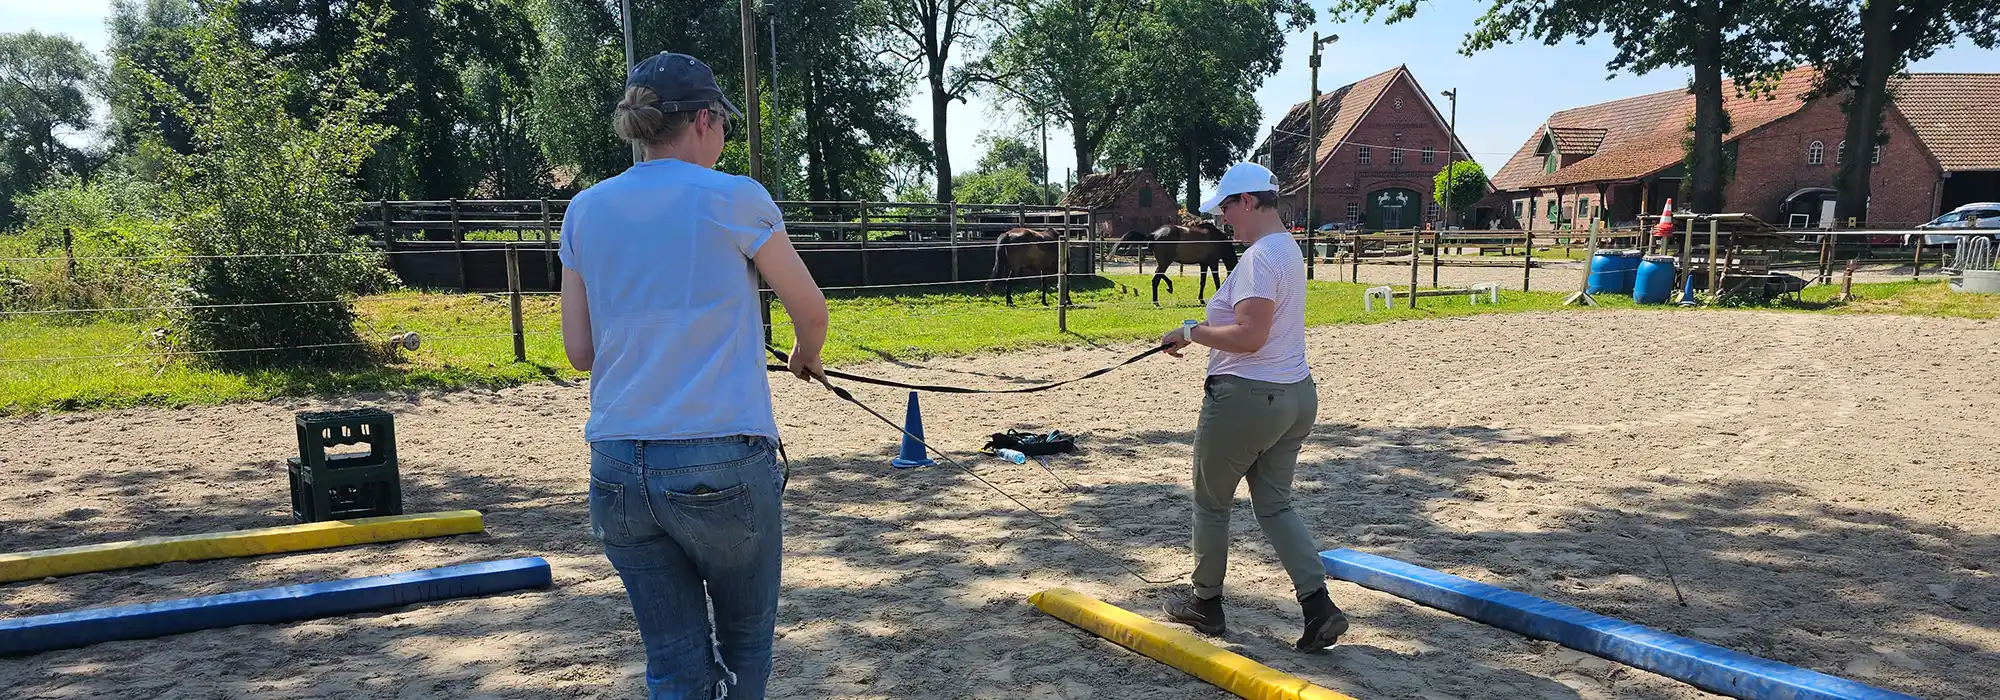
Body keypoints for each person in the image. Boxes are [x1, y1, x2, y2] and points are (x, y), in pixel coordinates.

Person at [559, 51, 829, 699]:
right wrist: (804, 353)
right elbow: (809, 308)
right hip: (721, 458)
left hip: (619, 463)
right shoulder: (734, 197)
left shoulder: (585, 210)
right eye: (725, 124)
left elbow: (578, 350)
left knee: (674, 665)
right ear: (705, 120)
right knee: (744, 644)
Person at [1156, 161, 1348, 652]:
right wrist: (1197, 330)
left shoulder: (1262, 256)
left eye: (1225, 208)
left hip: (1247, 397)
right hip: (1294, 394)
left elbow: (1250, 335)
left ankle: (1206, 603)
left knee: (1211, 502)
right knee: (1275, 504)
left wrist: (1189, 332)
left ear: (1247, 202)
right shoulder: (1286, 247)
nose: (1222, 220)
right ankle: (1318, 606)